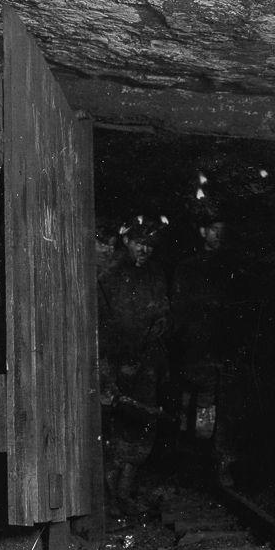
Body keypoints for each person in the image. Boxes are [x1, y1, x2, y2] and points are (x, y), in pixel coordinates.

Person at [97, 214, 170, 514]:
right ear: (126, 240)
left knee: (142, 425)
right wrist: (109, 368)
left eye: (150, 245)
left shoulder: (155, 274)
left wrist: (158, 331)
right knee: (113, 426)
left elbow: (163, 312)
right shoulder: (108, 276)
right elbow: (101, 323)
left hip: (145, 364)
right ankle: (108, 495)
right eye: (140, 243)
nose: (145, 250)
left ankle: (124, 492)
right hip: (113, 363)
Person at [170, 200, 245, 484]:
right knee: (202, 408)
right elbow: (179, 311)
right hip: (198, 350)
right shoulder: (187, 268)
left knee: (228, 408)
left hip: (225, 349)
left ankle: (220, 463)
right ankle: (198, 462)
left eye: (221, 230)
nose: (218, 235)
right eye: (213, 229)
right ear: (202, 232)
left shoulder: (233, 268)